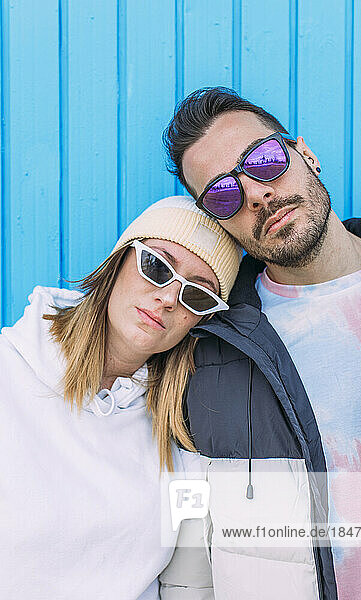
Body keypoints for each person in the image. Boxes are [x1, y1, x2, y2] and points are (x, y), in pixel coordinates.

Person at [163, 87, 361, 599]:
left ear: (305, 155)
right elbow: (190, 554)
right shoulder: (207, 350)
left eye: (264, 160)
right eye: (223, 194)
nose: (254, 193)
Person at [0, 195, 241, 600]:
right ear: (120, 261)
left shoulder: (184, 425)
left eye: (197, 296)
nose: (168, 298)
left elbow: (189, 580)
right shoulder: (10, 372)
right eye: (157, 267)